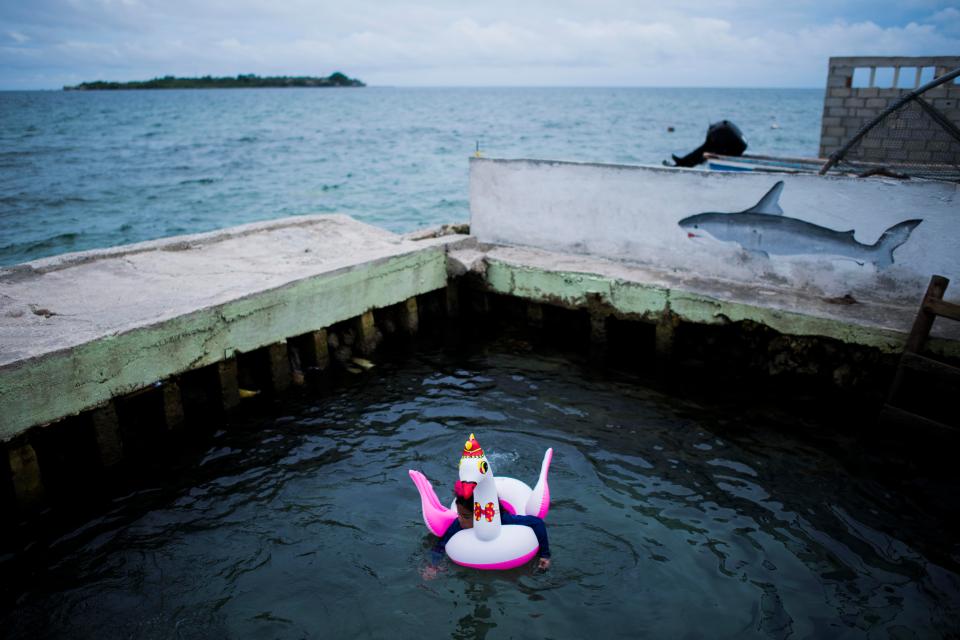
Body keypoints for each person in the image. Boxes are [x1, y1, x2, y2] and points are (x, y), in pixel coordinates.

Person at [431, 480, 551, 570]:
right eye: (459, 514)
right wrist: (434, 566)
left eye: (466, 516)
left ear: (481, 515)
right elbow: (441, 544)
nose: (460, 519)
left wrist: (544, 555)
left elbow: (537, 522)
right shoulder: (458, 523)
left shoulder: (503, 520)